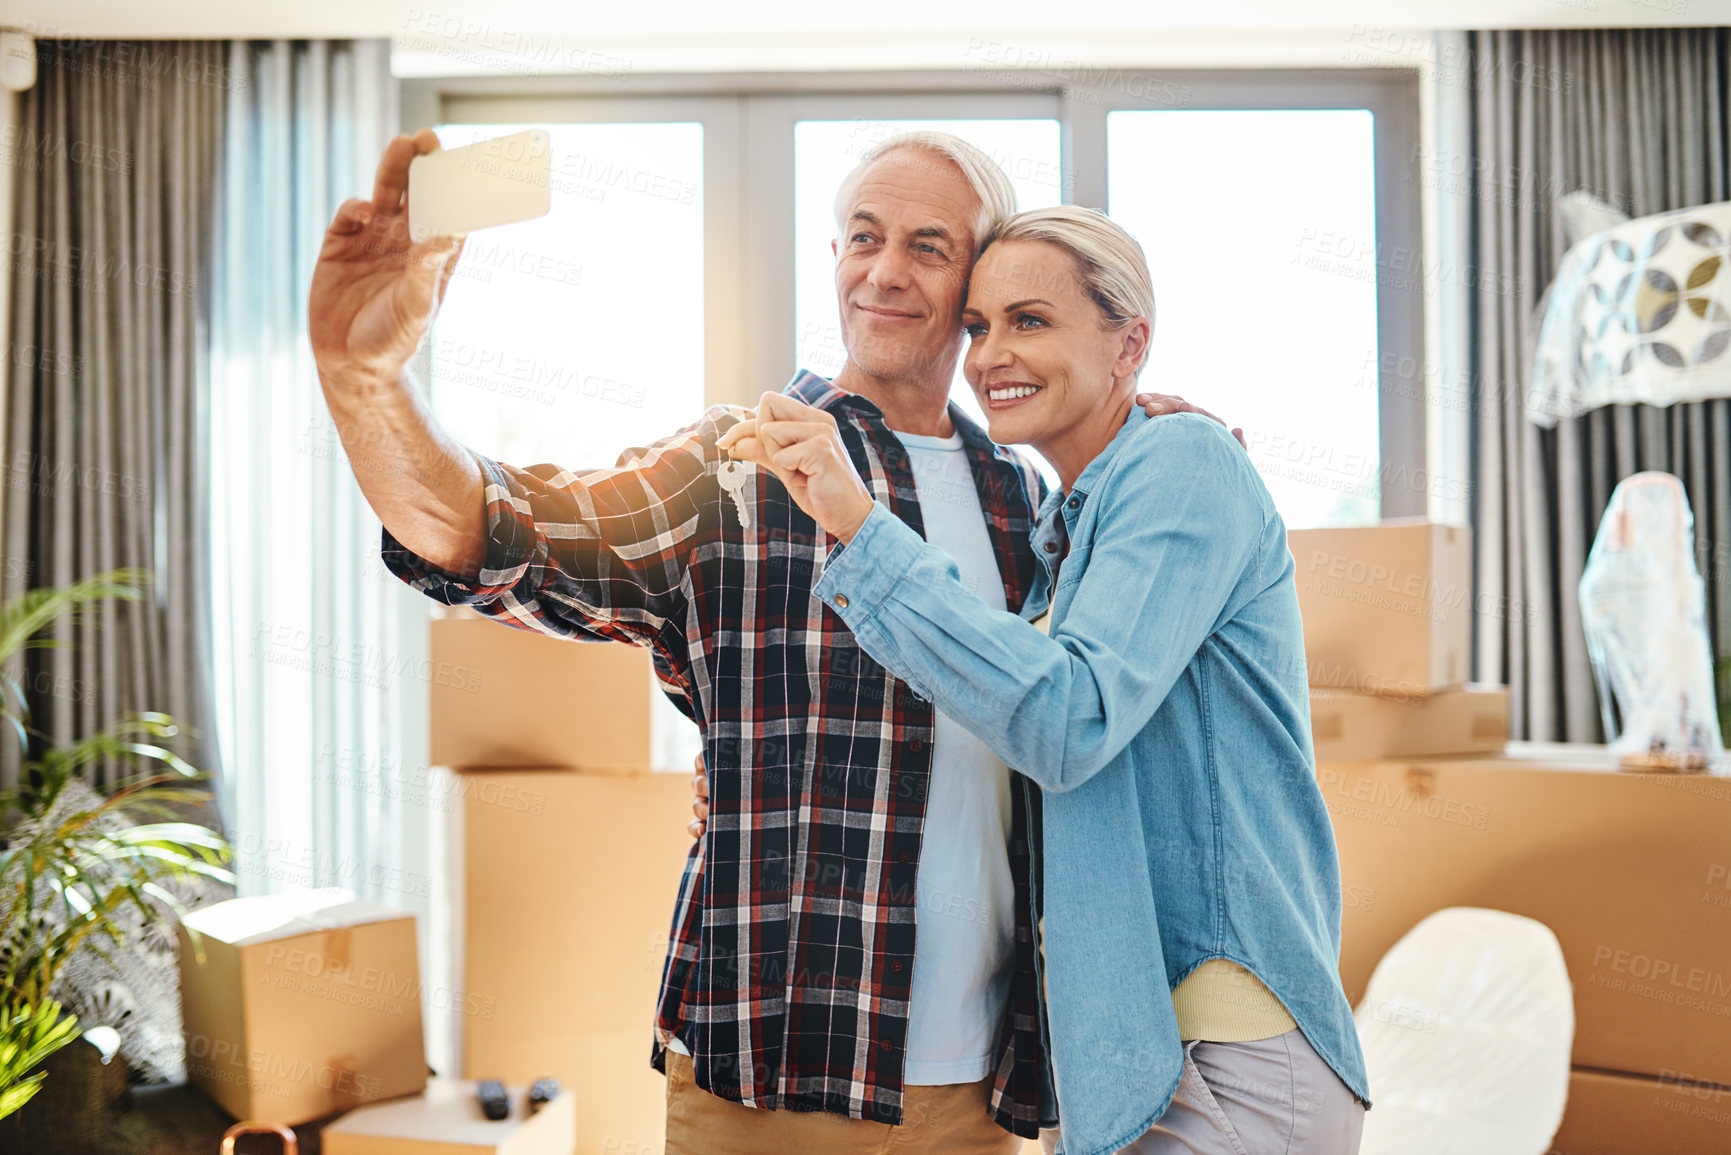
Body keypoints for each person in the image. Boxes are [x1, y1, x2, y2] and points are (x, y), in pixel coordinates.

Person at [307, 128, 1236, 1154]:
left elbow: (1099, 708)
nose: (882, 272)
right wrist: (366, 384)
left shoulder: (1026, 501)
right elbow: (498, 533)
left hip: (983, 1092)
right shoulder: (740, 465)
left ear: (980, 278)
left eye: (928, 247)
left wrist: (1157, 439)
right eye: (861, 237)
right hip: (773, 1077)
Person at [716, 206, 1371, 1155]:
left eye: (1030, 321)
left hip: (1227, 1053)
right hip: (1136, 1056)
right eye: (978, 326)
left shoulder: (1183, 464)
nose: (989, 357)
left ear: (1128, 343)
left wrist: (859, 525)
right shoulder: (1065, 525)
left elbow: (1070, 717)